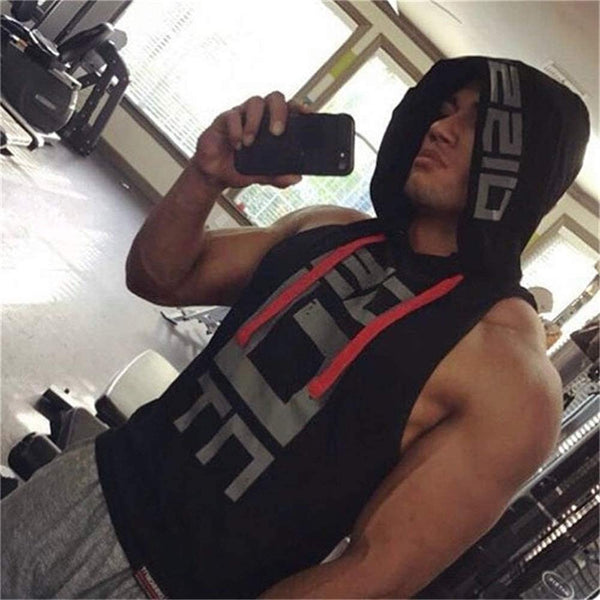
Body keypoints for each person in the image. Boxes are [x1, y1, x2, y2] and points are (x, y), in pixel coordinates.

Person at [1, 56, 589, 599]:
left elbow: (370, 573)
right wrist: (206, 176)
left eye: (477, 123)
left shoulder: (511, 376)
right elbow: (159, 278)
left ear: (526, 165)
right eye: (443, 110)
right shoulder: (330, 227)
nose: (440, 129)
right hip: (86, 482)